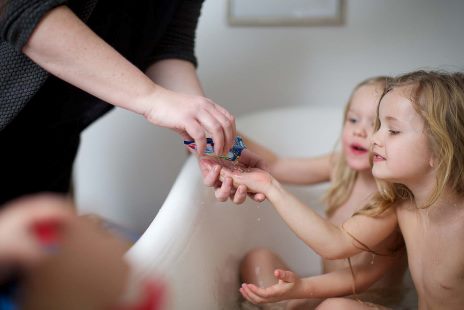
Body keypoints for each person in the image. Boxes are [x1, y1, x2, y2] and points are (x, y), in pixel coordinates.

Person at [220, 70, 464, 309]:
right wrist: (216, 139)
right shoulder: (347, 171)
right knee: (259, 258)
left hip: (363, 299)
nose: (369, 136)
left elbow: (345, 257)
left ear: (439, 149)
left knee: (334, 307)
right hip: (322, 291)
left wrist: (303, 288)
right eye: (353, 119)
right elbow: (275, 165)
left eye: (389, 128)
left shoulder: (394, 202)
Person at [0, 0, 236, 206]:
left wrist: (211, 142)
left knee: (40, 252)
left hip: (51, 142)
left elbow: (169, 46)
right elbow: (27, 9)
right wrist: (152, 98)